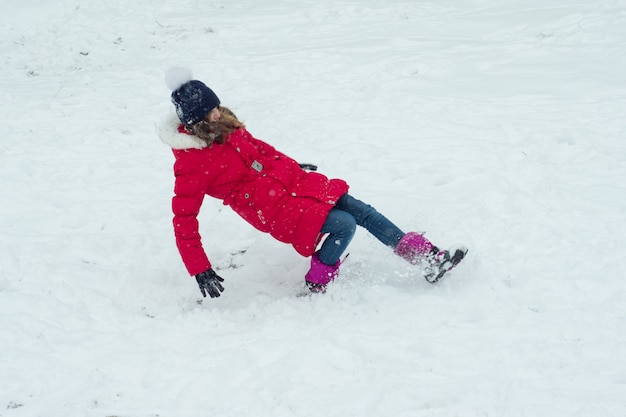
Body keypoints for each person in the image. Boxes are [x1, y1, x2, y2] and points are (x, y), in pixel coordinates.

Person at [158, 68, 467, 298]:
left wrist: (291, 166)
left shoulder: (226, 125)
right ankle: (317, 280)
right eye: (210, 111)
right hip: (269, 208)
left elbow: (263, 151)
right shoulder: (191, 163)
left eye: (215, 106)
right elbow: (183, 218)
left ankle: (428, 259)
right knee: (344, 224)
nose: (217, 112)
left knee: (360, 208)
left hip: (290, 183)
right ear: (195, 122)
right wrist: (199, 267)